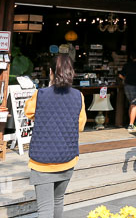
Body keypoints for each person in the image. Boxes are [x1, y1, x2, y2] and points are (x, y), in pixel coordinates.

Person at [24, 54, 86, 218]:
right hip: (67, 158)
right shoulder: (78, 96)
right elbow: (80, 125)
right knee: (58, 201)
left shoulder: (41, 94)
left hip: (42, 161)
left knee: (44, 209)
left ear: (51, 72)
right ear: (71, 72)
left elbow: (29, 112)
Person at [117, 50, 136, 132]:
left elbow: (120, 75)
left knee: (131, 104)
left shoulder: (127, 65)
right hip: (135, 86)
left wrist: (126, 79)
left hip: (127, 86)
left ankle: (130, 123)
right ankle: (131, 125)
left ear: (131, 57)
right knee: (134, 105)